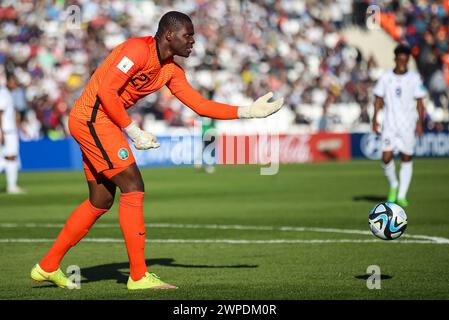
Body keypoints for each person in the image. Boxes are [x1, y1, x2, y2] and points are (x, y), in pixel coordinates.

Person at [30, 11, 283, 290]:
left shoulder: (170, 70)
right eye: (188, 35)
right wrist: (133, 129)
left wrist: (248, 111)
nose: (193, 42)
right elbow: (106, 92)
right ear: (169, 35)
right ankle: (138, 276)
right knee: (133, 185)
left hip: (101, 122)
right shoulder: (137, 50)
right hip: (92, 119)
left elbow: (200, 106)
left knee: (100, 201)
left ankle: (47, 266)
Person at [372, 44, 426, 208]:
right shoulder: (385, 77)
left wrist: (419, 123)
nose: (403, 62)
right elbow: (378, 99)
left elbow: (420, 102)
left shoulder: (414, 78)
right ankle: (394, 184)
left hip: (408, 125)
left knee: (406, 158)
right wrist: (375, 119)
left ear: (408, 60)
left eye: (405, 59)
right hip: (389, 124)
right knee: (386, 157)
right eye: (400, 58)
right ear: (395, 59)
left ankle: (401, 195)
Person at [0, 74, 25, 194]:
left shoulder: (8, 94)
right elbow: (0, 113)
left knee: (11, 157)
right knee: (9, 157)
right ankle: (11, 186)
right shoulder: (3, 94)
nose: (15, 84)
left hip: (9, 131)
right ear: (8, 82)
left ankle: (12, 185)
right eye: (14, 81)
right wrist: (1, 132)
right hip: (6, 131)